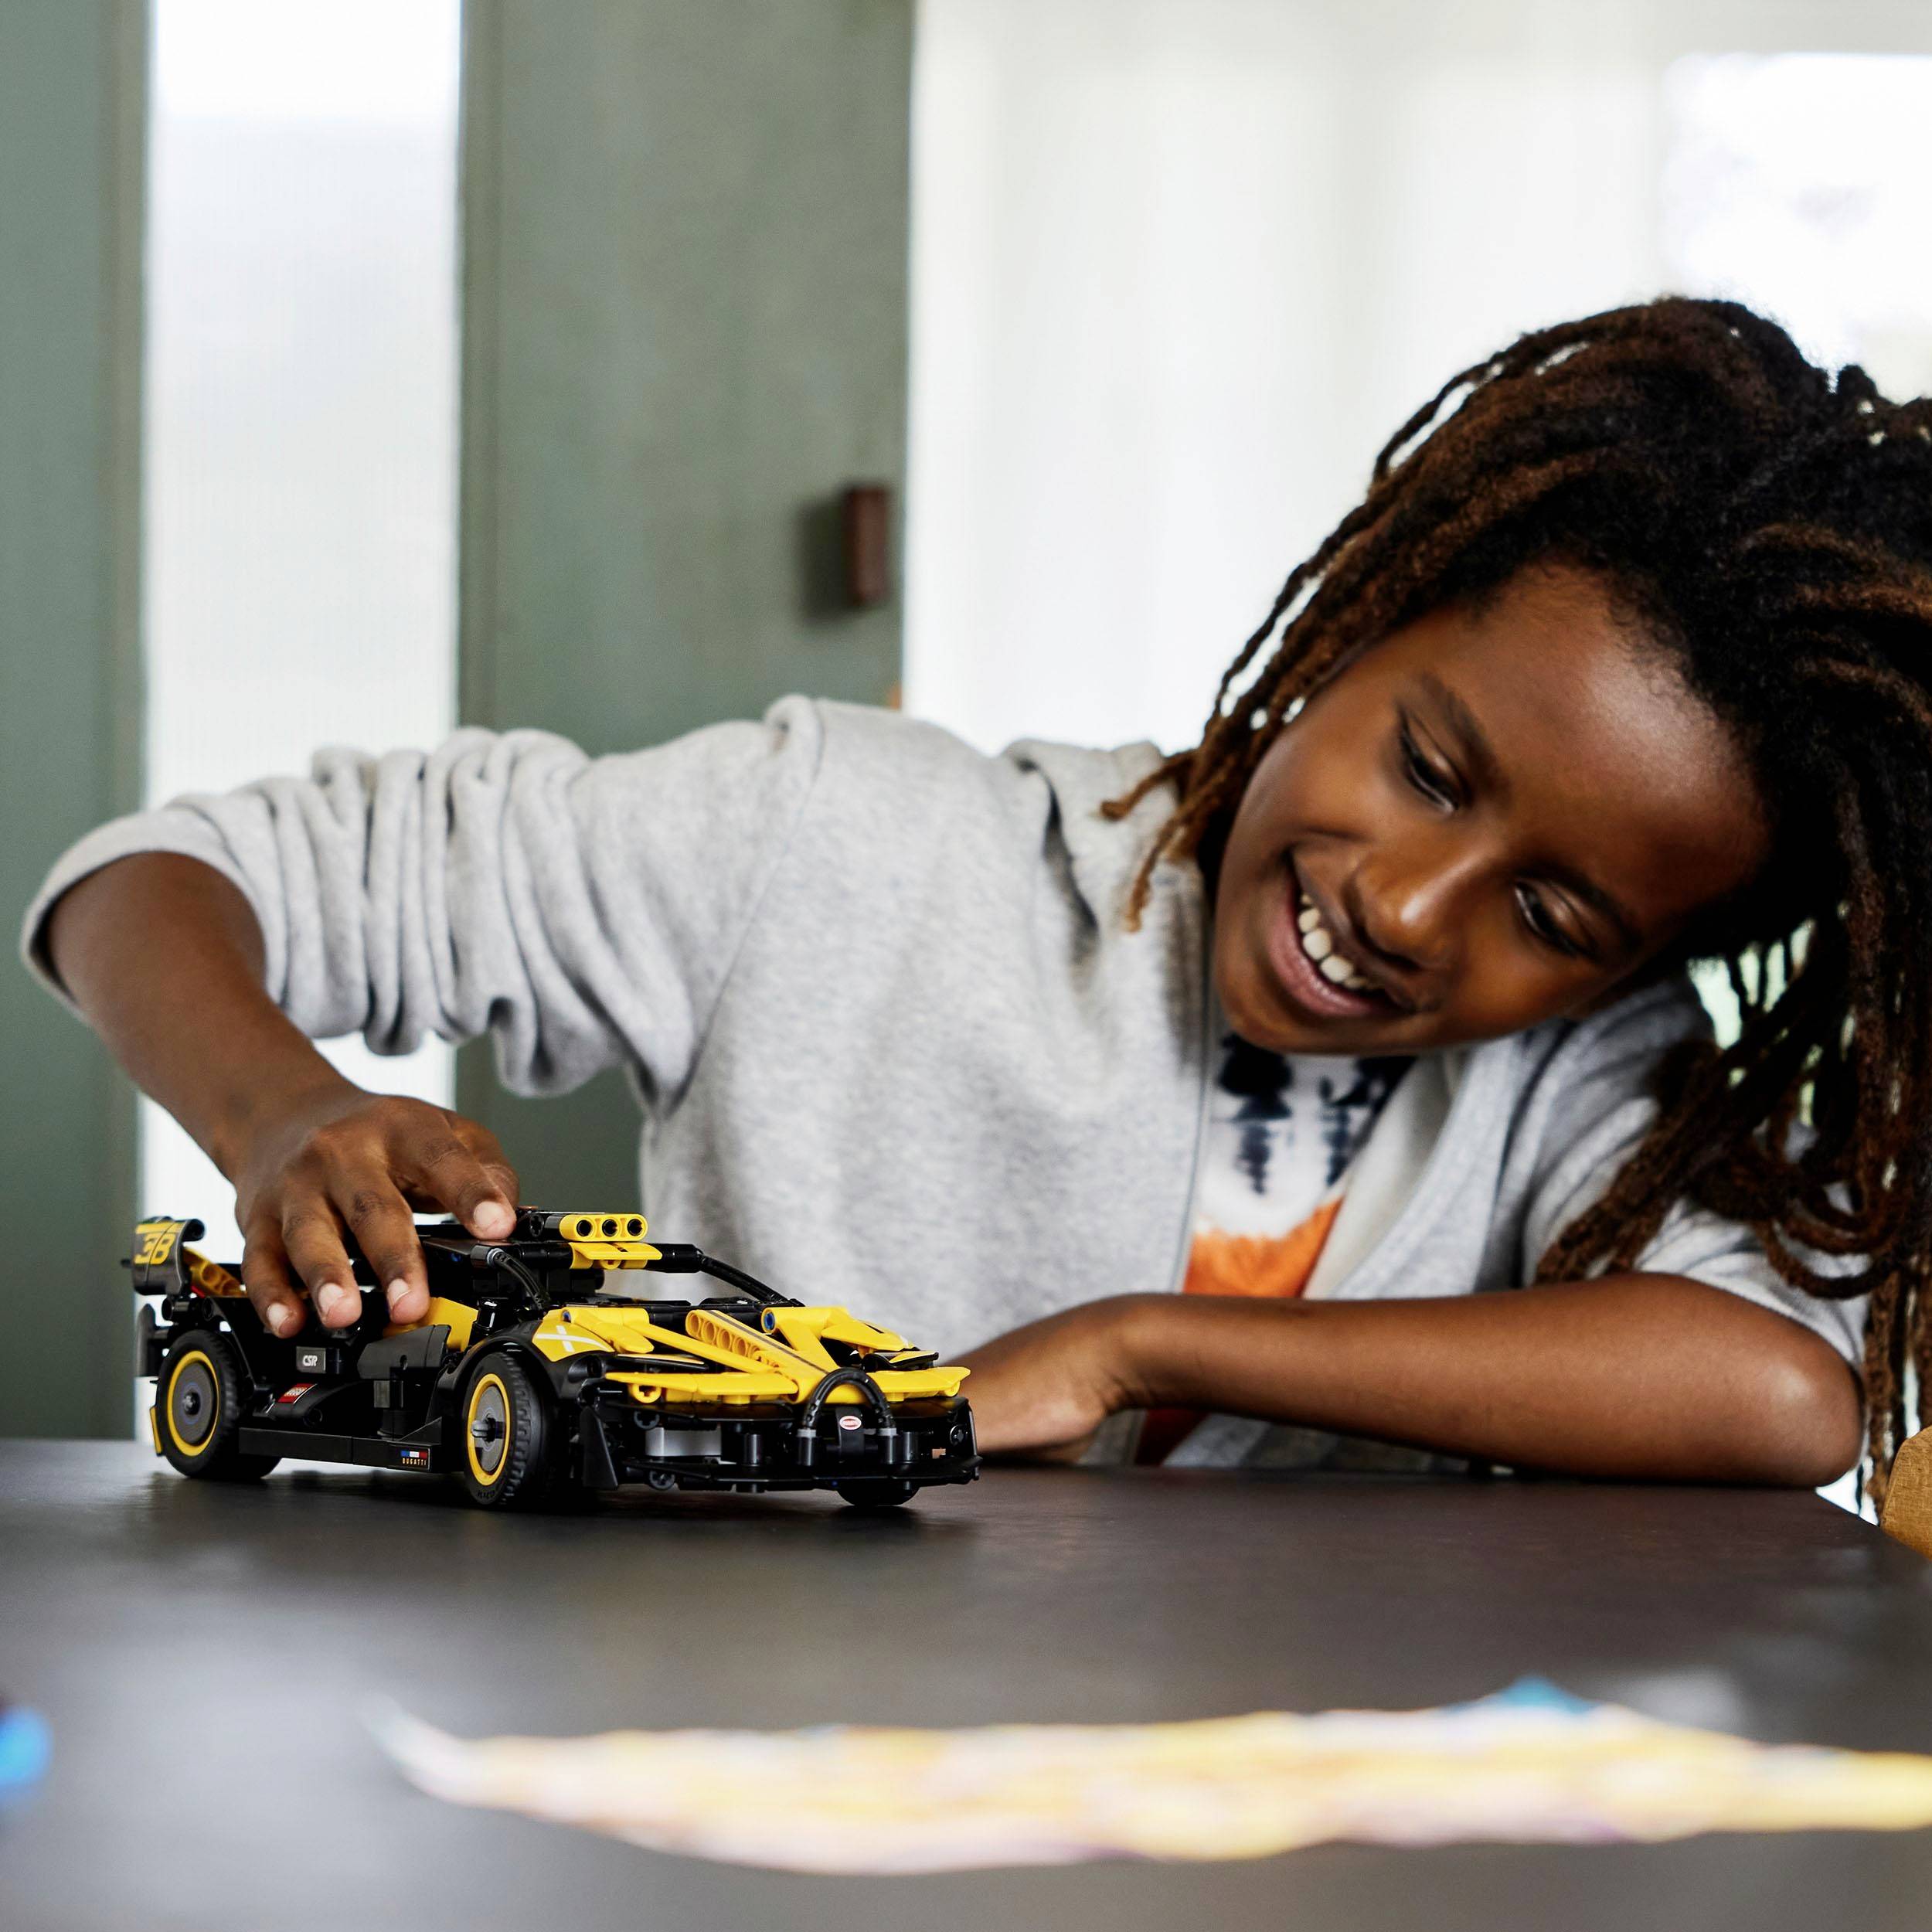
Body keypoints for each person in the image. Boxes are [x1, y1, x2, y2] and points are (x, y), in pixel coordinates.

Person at [25, 298, 1930, 1497]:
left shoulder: (1594, 1079)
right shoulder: (838, 840)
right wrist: (282, 1111)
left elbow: (1773, 1394)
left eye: (1561, 914)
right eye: (1427, 767)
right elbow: (154, 877)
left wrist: (1132, 1340)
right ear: (1357, 615)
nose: (1418, 906)